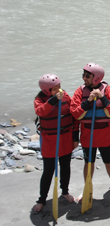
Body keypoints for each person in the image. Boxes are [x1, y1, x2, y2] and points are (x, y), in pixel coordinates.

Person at [70, 63, 110, 202]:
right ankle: (87, 190)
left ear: (96, 78)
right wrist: (88, 101)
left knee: (109, 163)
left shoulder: (108, 90)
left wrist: (102, 97)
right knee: (88, 163)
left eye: (88, 76)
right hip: (88, 136)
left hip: (105, 135)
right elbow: (75, 113)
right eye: (84, 75)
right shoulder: (80, 91)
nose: (84, 78)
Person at [33, 74, 79, 212]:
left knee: (65, 166)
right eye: (54, 88)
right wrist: (53, 100)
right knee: (48, 170)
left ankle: (64, 191)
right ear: (46, 91)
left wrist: (75, 137)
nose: (59, 90)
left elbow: (74, 116)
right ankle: (42, 199)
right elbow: (40, 111)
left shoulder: (65, 96)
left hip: (65, 138)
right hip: (49, 141)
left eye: (59, 86)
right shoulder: (39, 100)